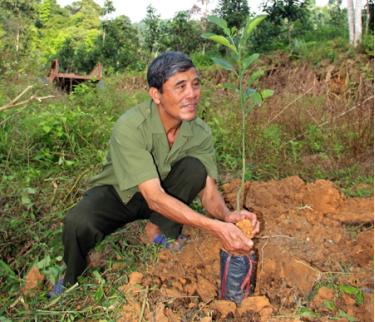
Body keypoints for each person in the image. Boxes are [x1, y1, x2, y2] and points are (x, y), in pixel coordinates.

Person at [49, 51, 259, 297]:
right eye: (180, 86)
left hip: (161, 196)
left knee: (195, 168)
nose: (192, 94)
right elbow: (154, 197)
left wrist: (226, 216)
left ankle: (155, 233)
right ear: (155, 94)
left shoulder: (199, 131)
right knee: (78, 223)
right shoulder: (131, 125)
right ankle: (72, 274)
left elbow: (208, 190)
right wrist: (215, 228)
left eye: (195, 84)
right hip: (120, 194)